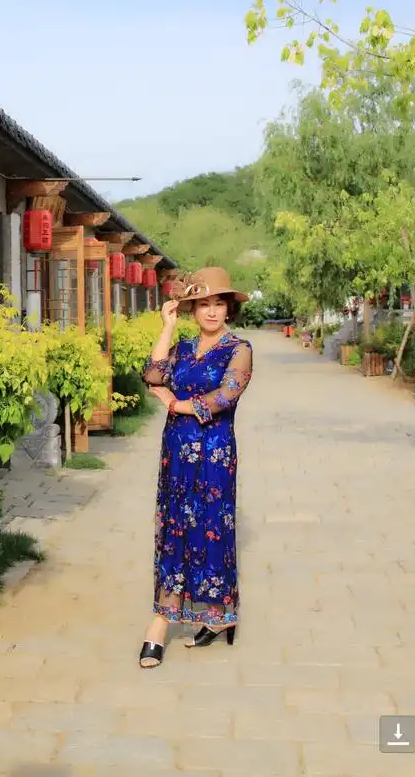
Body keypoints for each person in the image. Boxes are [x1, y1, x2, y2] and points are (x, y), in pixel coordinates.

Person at [139, 267, 253, 668]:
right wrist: (167, 327)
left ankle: (217, 615)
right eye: (203, 304)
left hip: (214, 453)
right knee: (175, 529)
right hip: (176, 452)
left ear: (229, 309)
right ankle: (164, 619)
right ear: (192, 309)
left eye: (219, 303)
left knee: (211, 528)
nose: (212, 311)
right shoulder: (184, 348)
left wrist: (176, 403)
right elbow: (152, 374)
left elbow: (226, 396)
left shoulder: (238, 348)